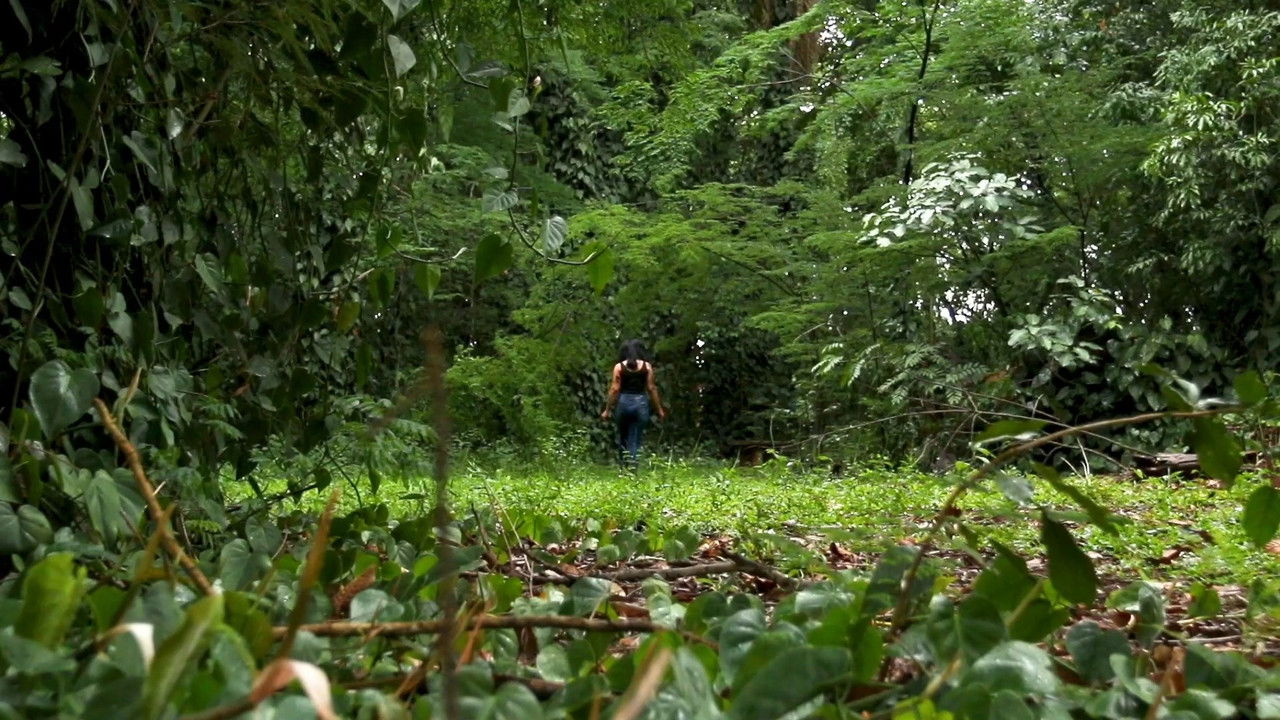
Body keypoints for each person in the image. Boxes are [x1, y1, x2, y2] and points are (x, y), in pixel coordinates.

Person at [600, 339, 666, 470]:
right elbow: (651, 388)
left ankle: (623, 468)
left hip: (623, 403)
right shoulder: (647, 367)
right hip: (640, 403)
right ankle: (633, 470)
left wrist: (607, 409)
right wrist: (659, 409)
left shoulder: (619, 367)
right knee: (635, 438)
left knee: (623, 437)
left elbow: (614, 389)